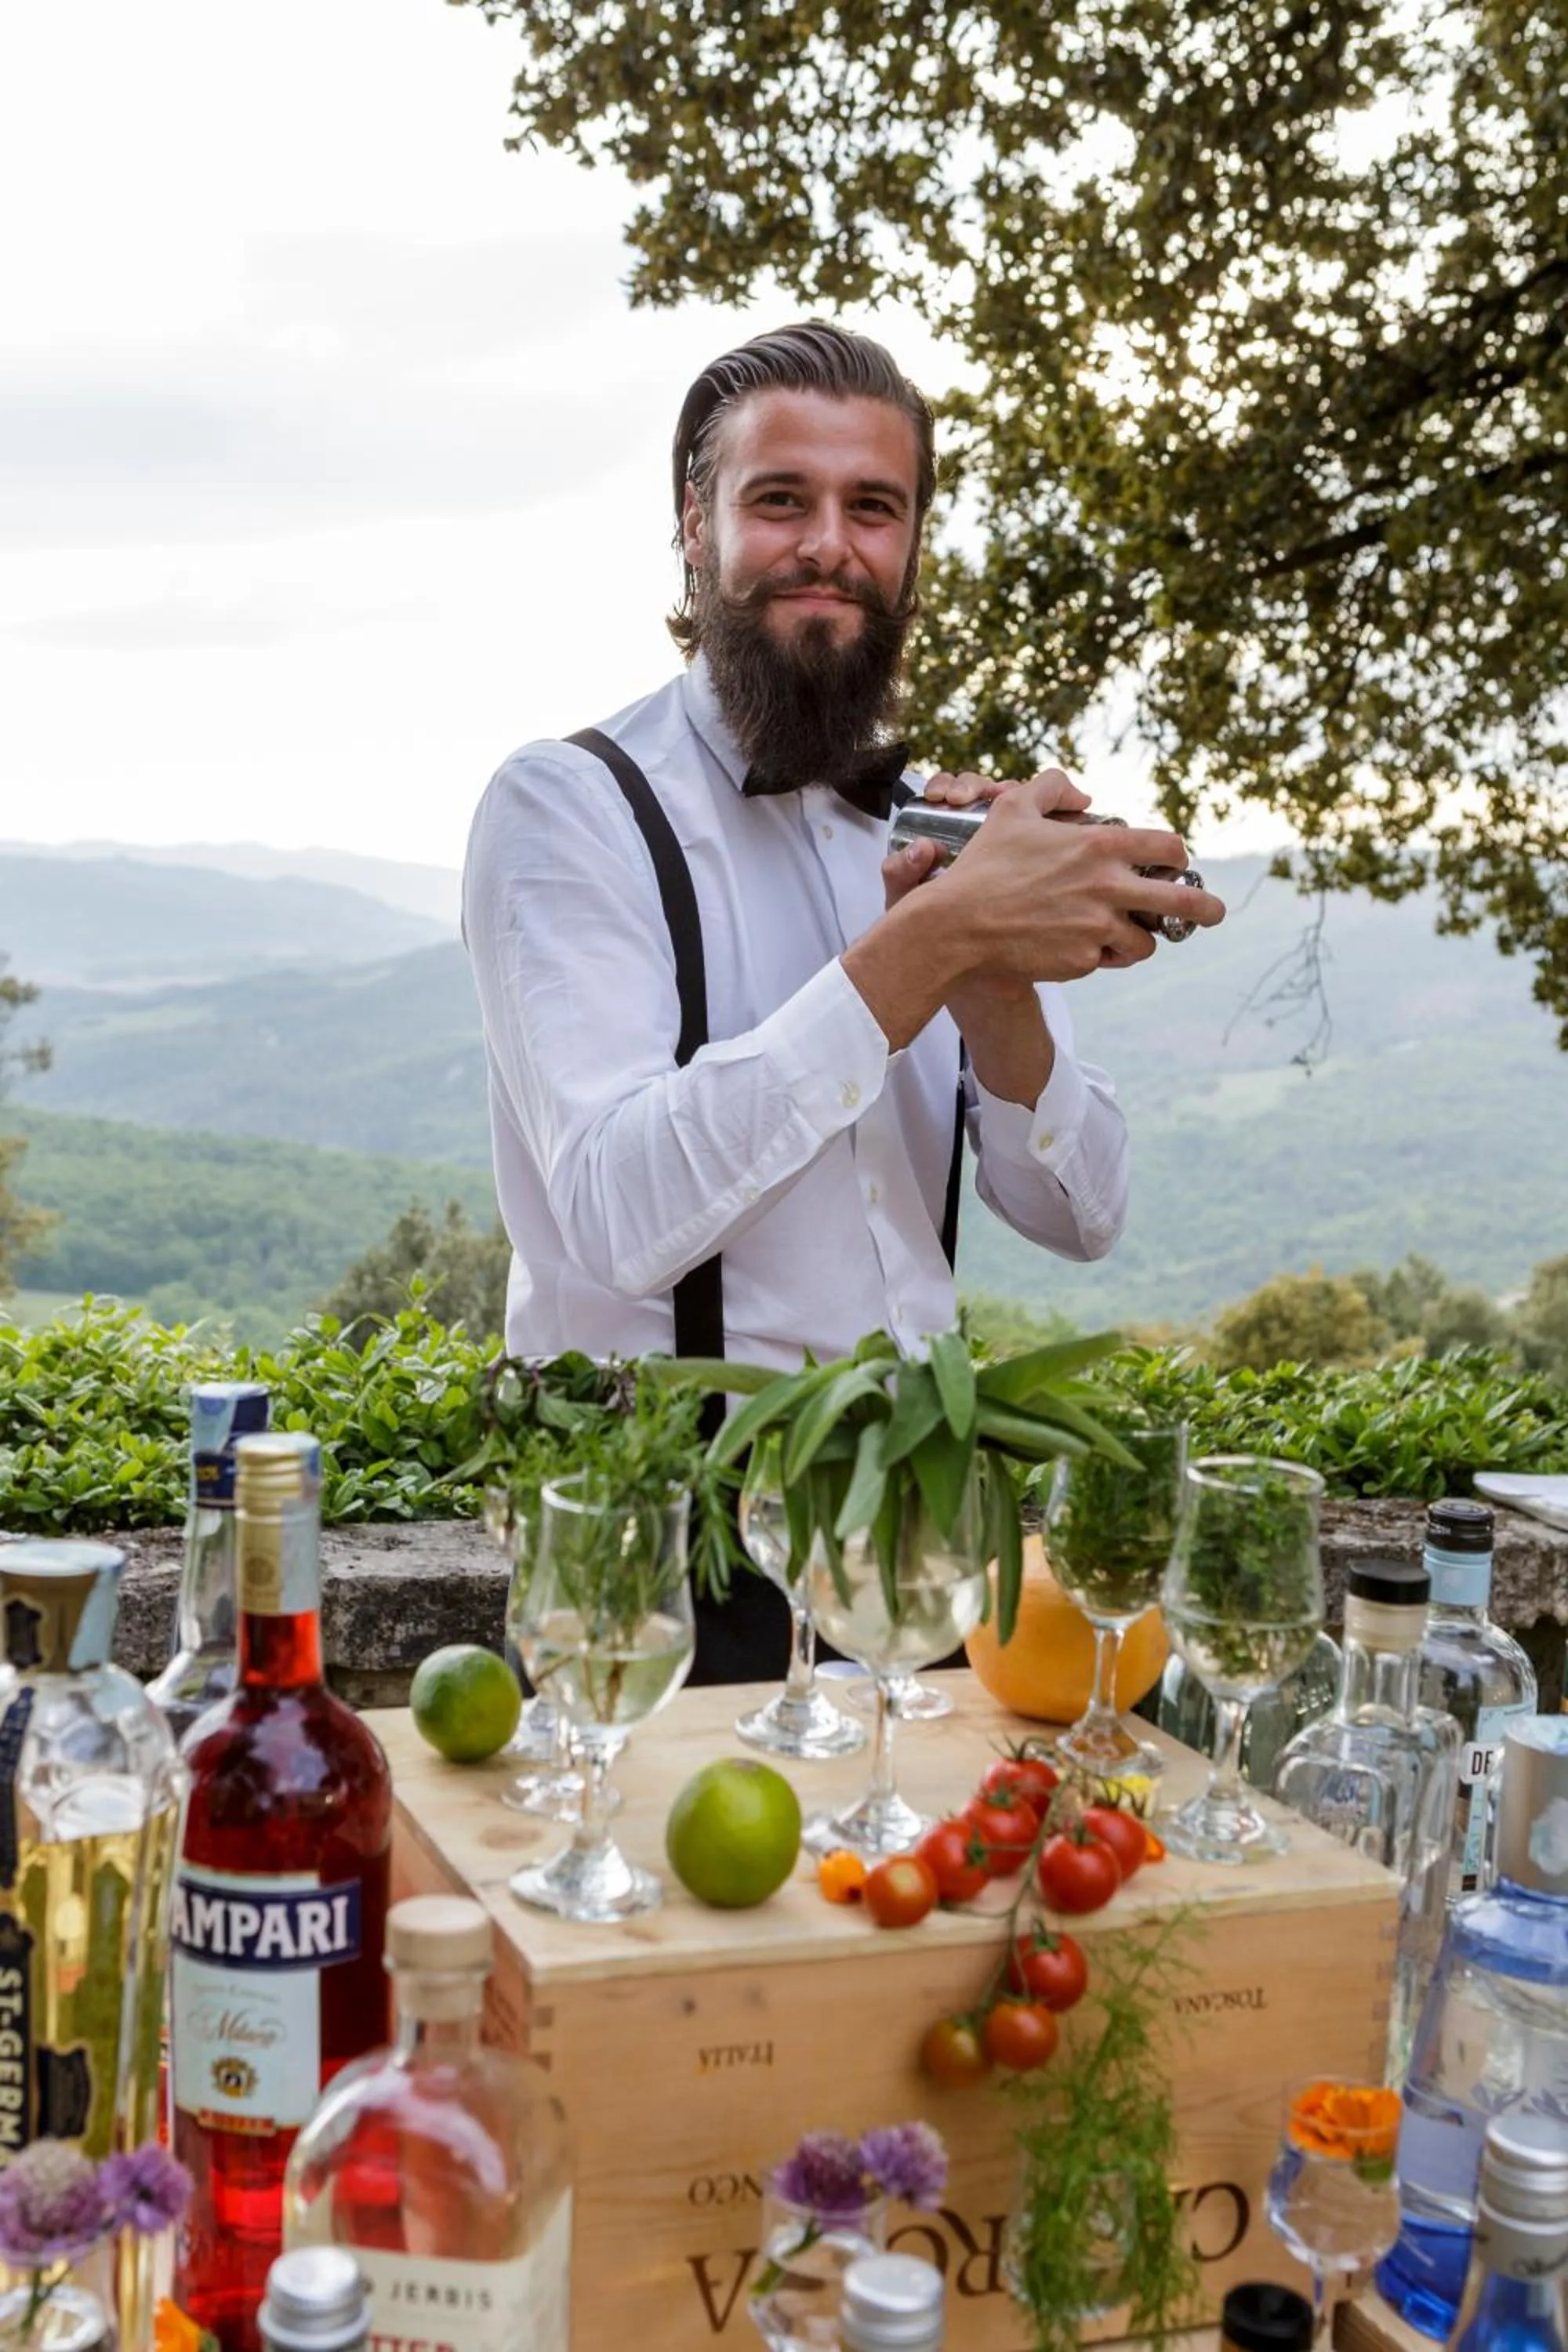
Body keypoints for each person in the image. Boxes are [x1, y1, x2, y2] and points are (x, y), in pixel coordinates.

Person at [464, 320, 1225, 1679]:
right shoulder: (568, 805)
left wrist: (993, 978)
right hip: (655, 1550)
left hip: (918, 1544)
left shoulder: (940, 824)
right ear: (694, 527)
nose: (830, 545)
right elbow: (619, 1212)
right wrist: (929, 944)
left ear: (913, 547)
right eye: (781, 500)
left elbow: (1083, 1215)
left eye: (874, 507)